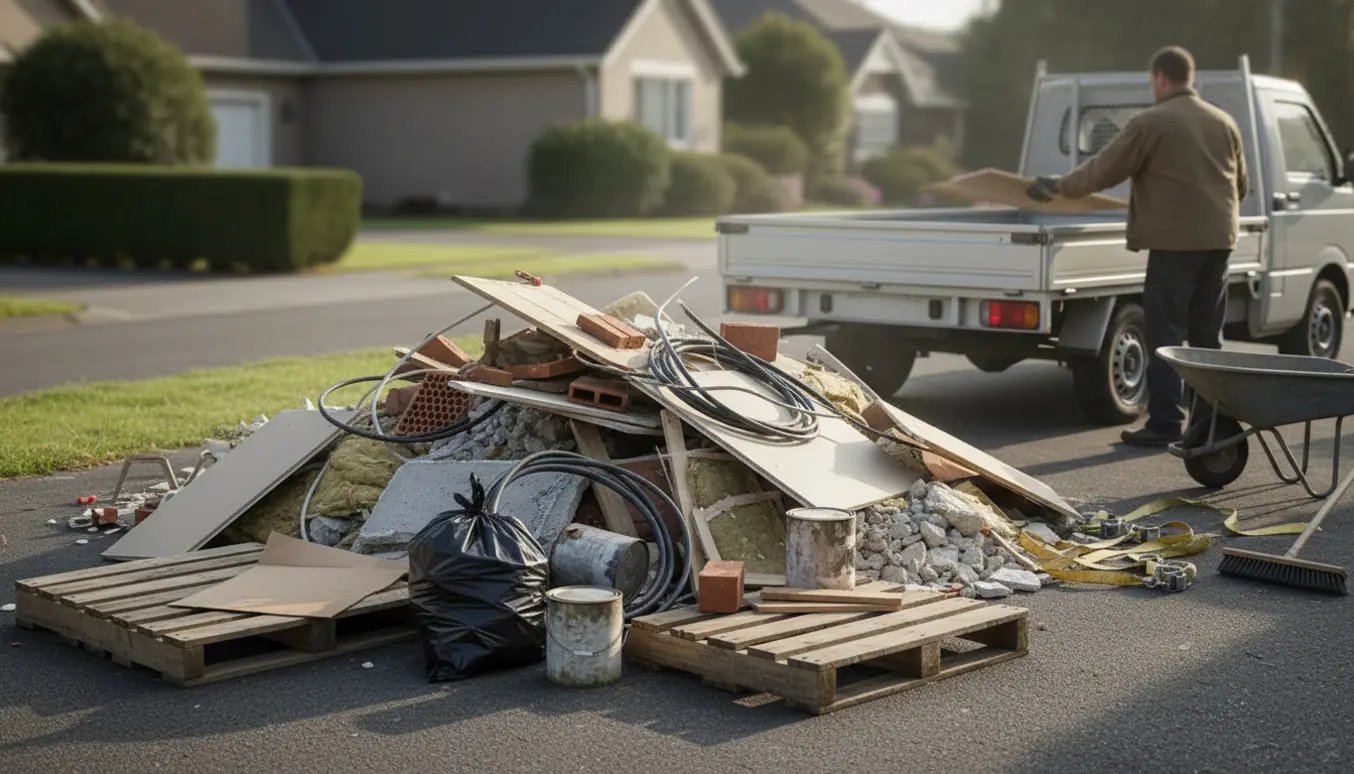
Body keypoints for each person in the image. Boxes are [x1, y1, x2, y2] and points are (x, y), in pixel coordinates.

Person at [1027, 45, 1249, 448]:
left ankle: (1164, 422)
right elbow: (1242, 185)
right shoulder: (1223, 122)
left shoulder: (1151, 122)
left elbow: (1103, 170)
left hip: (1174, 244)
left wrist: (1058, 187)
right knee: (1206, 337)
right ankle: (1209, 425)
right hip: (1220, 241)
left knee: (1165, 334)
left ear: (1160, 78)